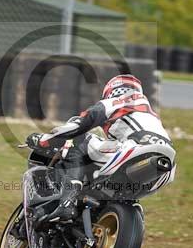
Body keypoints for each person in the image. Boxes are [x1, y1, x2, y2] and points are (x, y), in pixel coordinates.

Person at [26, 74, 172, 223]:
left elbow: (82, 123)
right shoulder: (148, 112)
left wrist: (45, 139)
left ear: (111, 91)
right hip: (166, 168)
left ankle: (67, 202)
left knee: (78, 139)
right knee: (120, 198)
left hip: (137, 147)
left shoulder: (121, 100)